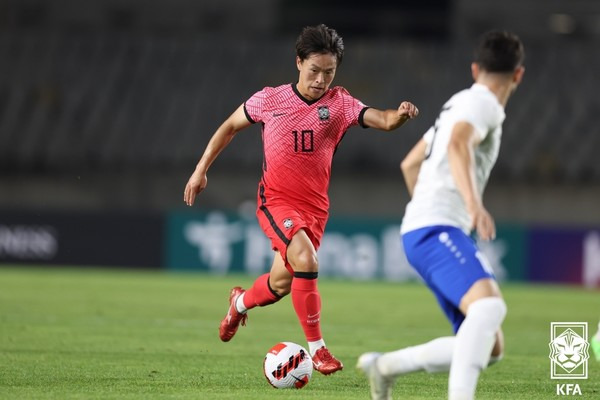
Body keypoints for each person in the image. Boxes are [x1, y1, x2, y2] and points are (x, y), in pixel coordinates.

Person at [183, 24, 419, 375]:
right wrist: (200, 169)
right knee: (305, 258)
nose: (321, 79)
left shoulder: (339, 104)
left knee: (281, 283)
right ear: (298, 63)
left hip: (315, 210)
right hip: (275, 200)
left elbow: (382, 120)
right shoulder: (269, 100)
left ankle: (240, 303)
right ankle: (318, 350)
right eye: (314, 71)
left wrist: (399, 115)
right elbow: (229, 126)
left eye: (329, 72)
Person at [357, 30, 525, 399]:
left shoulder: (457, 104)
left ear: (475, 68)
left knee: (489, 346)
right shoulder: (485, 104)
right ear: (518, 75)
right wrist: (471, 204)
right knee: (489, 307)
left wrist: (428, 210)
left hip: (426, 227)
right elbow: (458, 143)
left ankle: (384, 368)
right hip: (436, 227)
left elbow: (409, 163)